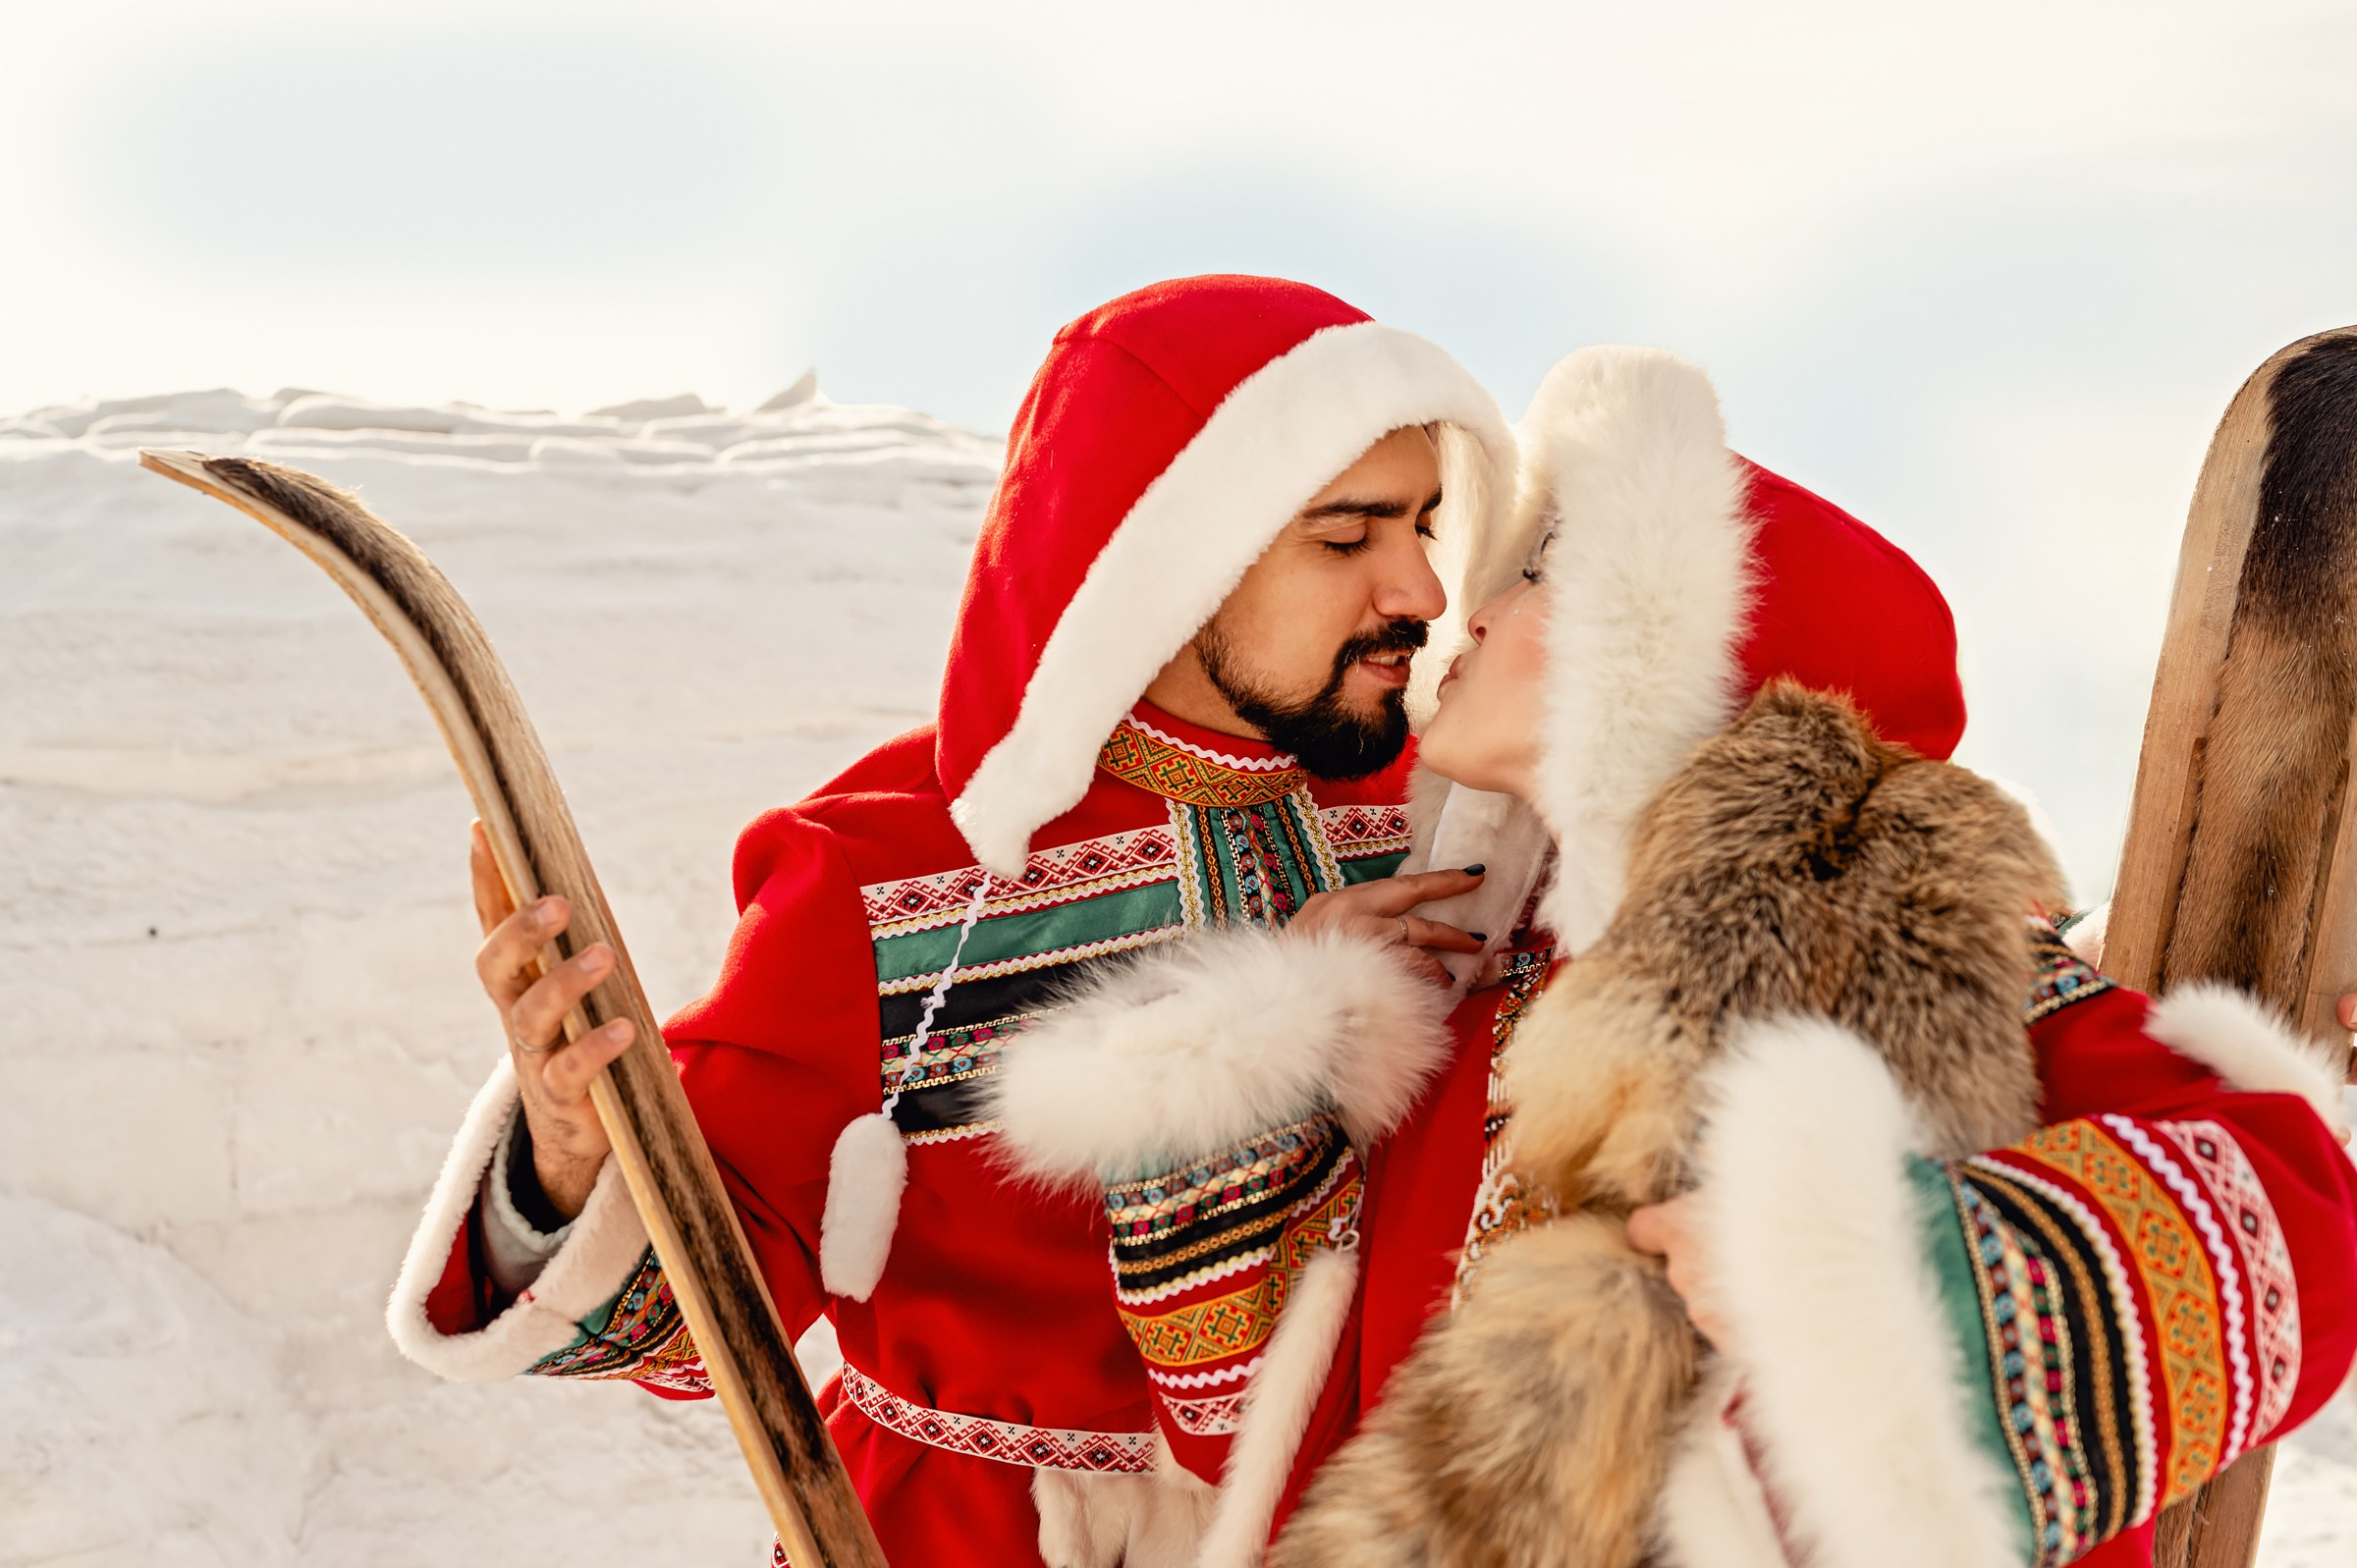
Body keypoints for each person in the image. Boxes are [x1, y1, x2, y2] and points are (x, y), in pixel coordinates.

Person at [996, 346, 2357, 1568]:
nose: (1463, 612)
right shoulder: (1476, 1014)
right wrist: (1270, 1062)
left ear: (1672, 655)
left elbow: (2295, 1232)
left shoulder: (1903, 957)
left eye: (1538, 573)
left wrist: (1874, 1269)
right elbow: (1250, 1434)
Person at [382, 275, 1518, 1567]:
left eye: (1426, 521)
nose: (1419, 584)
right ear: (1170, 548)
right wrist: (573, 1159)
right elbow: (713, 1315)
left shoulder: (1451, 819)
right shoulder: (888, 863)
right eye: (1346, 536)